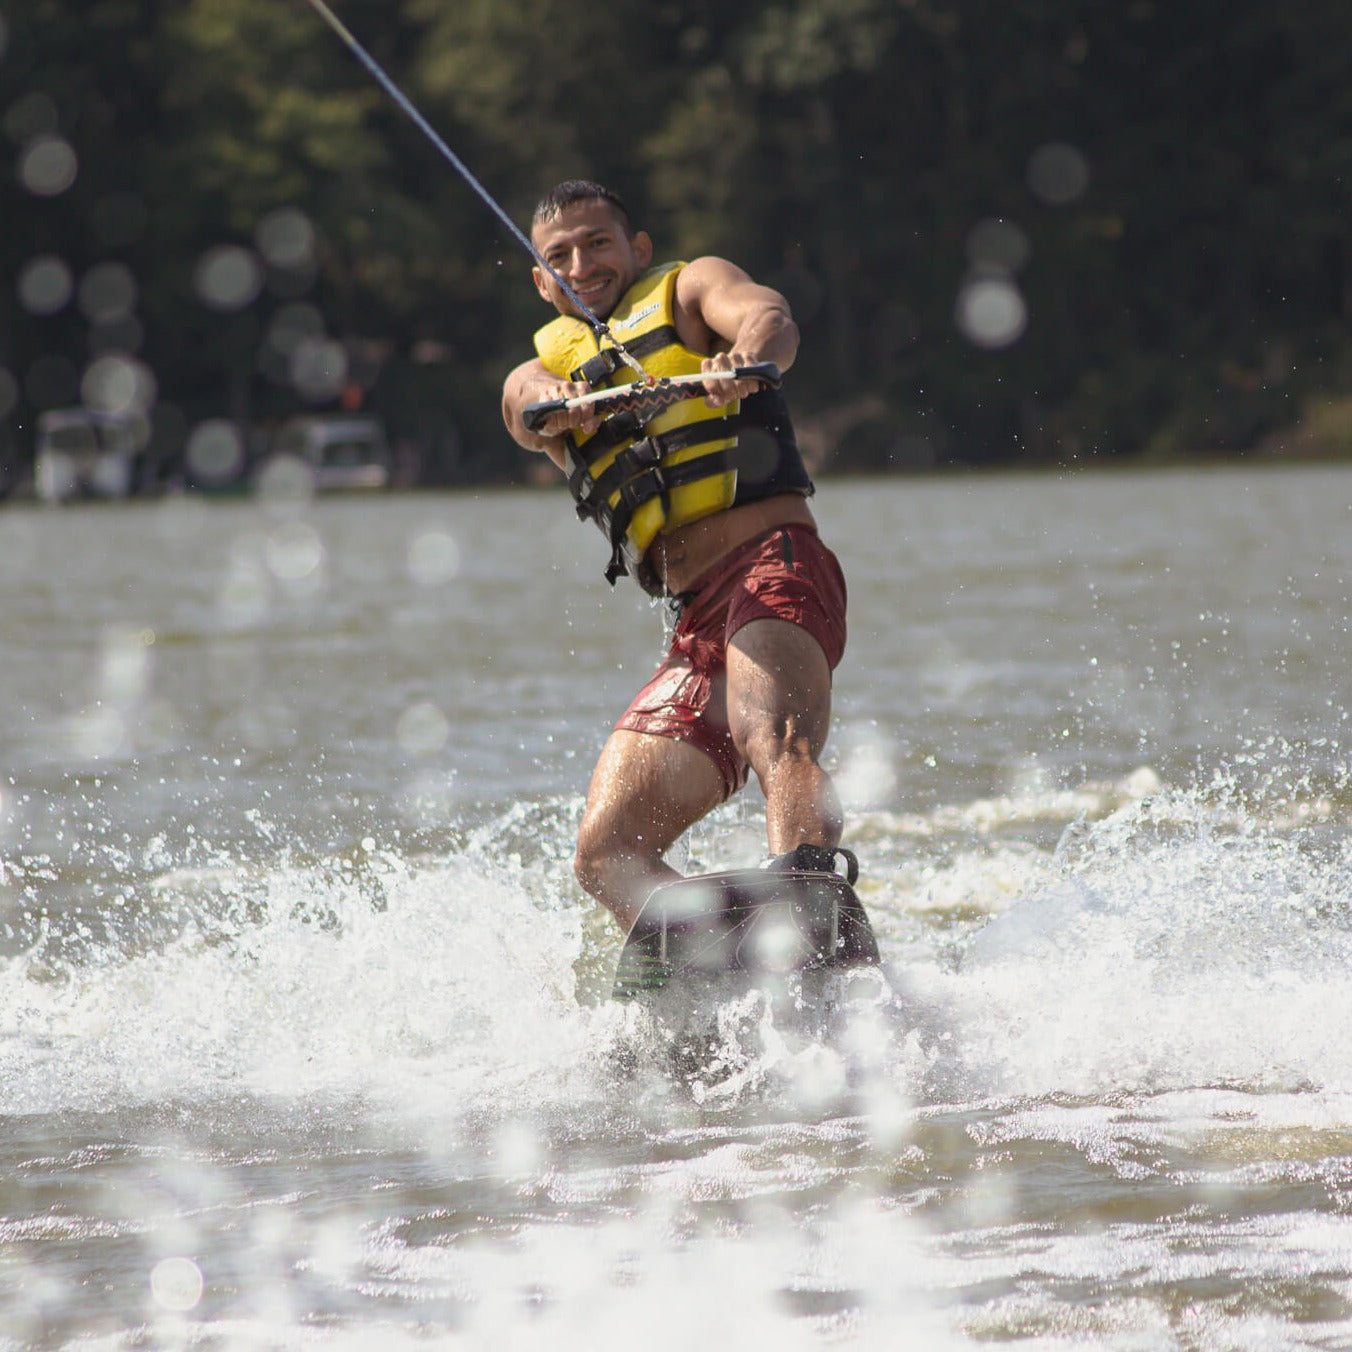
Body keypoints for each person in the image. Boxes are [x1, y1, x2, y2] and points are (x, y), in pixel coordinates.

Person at [502, 180, 851, 934]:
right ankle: (720, 964)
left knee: (774, 736)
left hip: (774, 564)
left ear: (638, 249)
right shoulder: (542, 368)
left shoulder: (692, 289)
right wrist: (555, 404)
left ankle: (814, 903)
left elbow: (768, 316)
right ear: (540, 279)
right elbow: (522, 405)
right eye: (559, 254)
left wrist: (745, 357)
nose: (582, 262)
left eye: (598, 242)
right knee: (606, 854)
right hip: (695, 622)